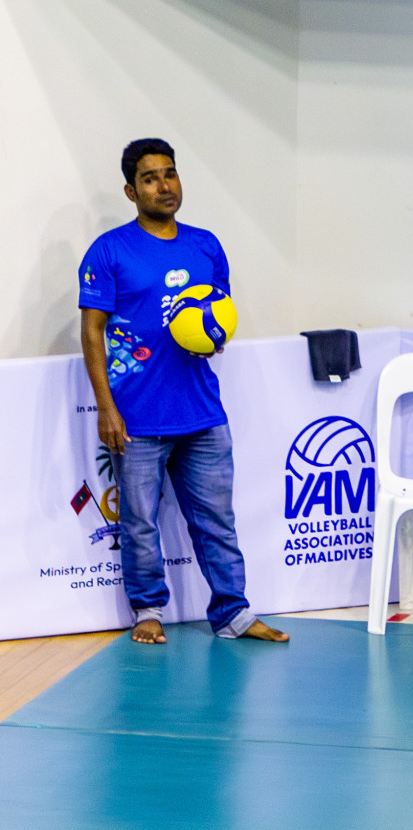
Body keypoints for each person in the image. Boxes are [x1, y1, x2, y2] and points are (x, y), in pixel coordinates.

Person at [78, 138, 288, 646]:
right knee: (139, 523)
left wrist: (212, 337)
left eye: (170, 174)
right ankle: (147, 612)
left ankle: (233, 615)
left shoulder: (205, 245)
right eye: (150, 178)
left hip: (201, 412)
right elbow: (91, 331)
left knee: (217, 520)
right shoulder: (109, 251)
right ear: (131, 191)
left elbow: (216, 317)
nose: (164, 185)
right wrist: (106, 407)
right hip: (137, 416)